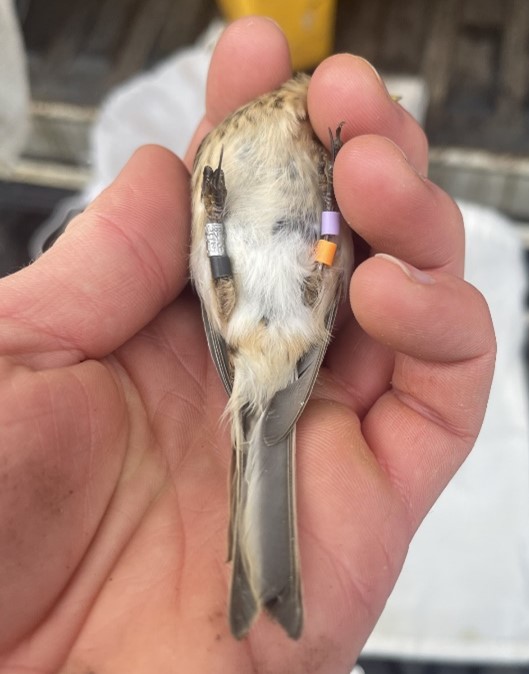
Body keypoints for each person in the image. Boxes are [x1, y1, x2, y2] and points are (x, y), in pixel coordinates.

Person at [0, 17, 495, 674]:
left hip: (269, 322)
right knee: (262, 282)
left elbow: (255, 250)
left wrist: (324, 218)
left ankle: (257, 580)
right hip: (253, 317)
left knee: (289, 278)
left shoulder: (306, 144)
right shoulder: (237, 134)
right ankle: (260, 579)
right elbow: (214, 258)